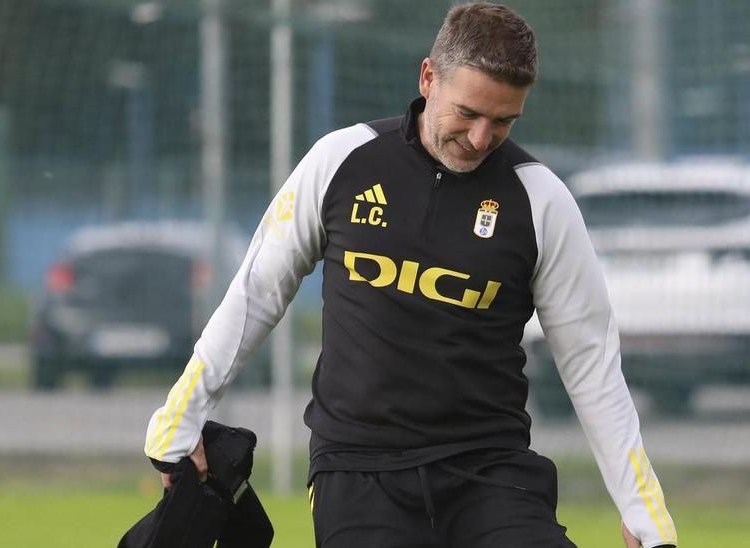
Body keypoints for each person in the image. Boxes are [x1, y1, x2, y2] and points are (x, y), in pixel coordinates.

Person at [142, 3, 677, 547]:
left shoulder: (540, 200)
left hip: (491, 472)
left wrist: (642, 510)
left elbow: (591, 362)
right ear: (428, 77)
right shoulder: (341, 161)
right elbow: (255, 296)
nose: (479, 136)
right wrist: (180, 418)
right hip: (357, 471)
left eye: (503, 121)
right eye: (467, 113)